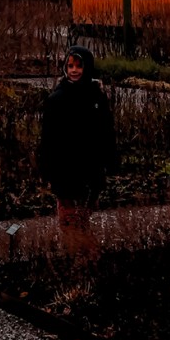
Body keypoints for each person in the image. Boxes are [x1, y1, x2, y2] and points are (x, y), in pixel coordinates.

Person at [38, 45, 117, 252]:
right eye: (70, 65)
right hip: (64, 170)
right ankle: (81, 258)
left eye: (79, 66)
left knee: (79, 218)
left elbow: (106, 132)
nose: (74, 70)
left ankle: (82, 259)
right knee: (69, 218)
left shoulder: (96, 98)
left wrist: (111, 160)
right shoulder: (57, 99)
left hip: (90, 170)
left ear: (87, 68)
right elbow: (48, 138)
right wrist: (46, 167)